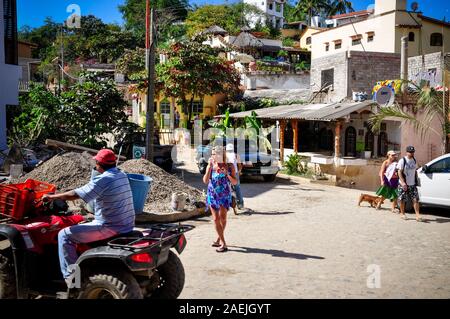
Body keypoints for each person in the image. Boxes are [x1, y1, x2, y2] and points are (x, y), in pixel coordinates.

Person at [42, 149, 135, 284]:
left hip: (110, 227)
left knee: (64, 235)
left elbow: (75, 195)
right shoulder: (121, 174)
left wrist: (51, 197)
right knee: (84, 221)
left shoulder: (104, 179)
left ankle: (72, 279)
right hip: (126, 223)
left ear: (99, 164)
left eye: (96, 162)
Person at [203, 146, 238, 252]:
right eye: (213, 154)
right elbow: (205, 181)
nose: (214, 156)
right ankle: (223, 243)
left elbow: (235, 182)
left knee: (222, 218)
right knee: (215, 219)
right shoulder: (211, 165)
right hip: (212, 195)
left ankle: (219, 238)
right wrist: (209, 168)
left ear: (222, 155)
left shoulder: (229, 166)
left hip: (224, 196)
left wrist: (226, 174)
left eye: (216, 154)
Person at [396, 145, 423, 222]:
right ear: (407, 152)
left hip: (412, 184)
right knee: (402, 199)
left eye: (413, 152)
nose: (411, 153)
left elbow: (416, 169)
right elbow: (399, 172)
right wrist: (403, 183)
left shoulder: (414, 160)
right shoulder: (402, 160)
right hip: (403, 184)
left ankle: (417, 215)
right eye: (410, 152)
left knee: (415, 199)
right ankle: (402, 213)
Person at [226, 144, 244, 209]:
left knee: (225, 187)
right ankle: (240, 204)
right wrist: (239, 172)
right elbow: (239, 166)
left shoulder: (224, 156)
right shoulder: (236, 155)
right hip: (235, 173)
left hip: (226, 173)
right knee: (237, 187)